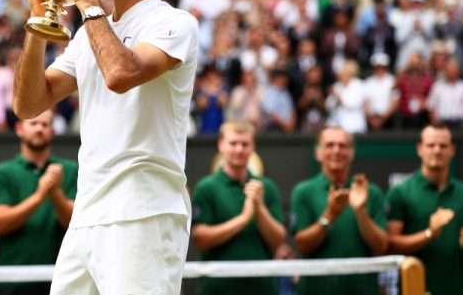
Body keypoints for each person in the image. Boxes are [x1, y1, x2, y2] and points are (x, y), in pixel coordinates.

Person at [13, 0, 196, 295]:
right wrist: (36, 18)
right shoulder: (88, 34)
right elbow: (29, 104)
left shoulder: (176, 23)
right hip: (87, 213)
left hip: (143, 212)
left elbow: (121, 74)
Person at [290, 126, 388, 295]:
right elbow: (301, 245)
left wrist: (360, 211)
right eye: (330, 145)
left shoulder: (372, 193)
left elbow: (381, 247)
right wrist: (330, 215)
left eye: (343, 146)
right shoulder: (303, 192)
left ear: (352, 153)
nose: (336, 150)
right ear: (318, 153)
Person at [0, 109, 78, 295]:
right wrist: (40, 195)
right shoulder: (3, 171)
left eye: (45, 124)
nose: (39, 129)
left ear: (53, 132)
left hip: (59, 277)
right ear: (19, 128)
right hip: (10, 281)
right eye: (33, 123)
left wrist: (54, 192)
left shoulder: (70, 170)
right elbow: (0, 223)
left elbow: (74, 223)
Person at [191, 121, 285, 294]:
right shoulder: (206, 187)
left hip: (262, 288)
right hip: (217, 289)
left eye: (245, 144)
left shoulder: (267, 187)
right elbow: (200, 239)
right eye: (233, 143)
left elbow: (279, 241)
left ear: (253, 147)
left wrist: (259, 207)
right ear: (221, 145)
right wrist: (243, 219)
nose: (239, 149)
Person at [386, 124, 463, 295]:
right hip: (414, 289)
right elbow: (390, 244)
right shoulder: (400, 192)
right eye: (431, 145)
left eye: (443, 146)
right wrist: (429, 234)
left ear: (452, 150)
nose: (437, 151)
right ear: (420, 149)